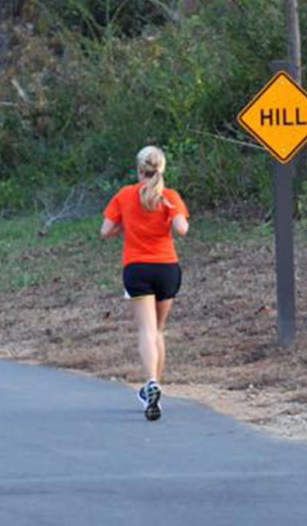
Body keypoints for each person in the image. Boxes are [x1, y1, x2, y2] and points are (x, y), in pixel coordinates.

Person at [100, 146, 189, 421]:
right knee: (159, 330)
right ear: (162, 169)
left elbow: (105, 231)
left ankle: (151, 382)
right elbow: (182, 229)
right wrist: (169, 214)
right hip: (166, 268)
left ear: (139, 170)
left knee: (146, 331)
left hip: (137, 268)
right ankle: (155, 387)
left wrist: (124, 226)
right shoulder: (169, 197)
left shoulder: (125, 196)